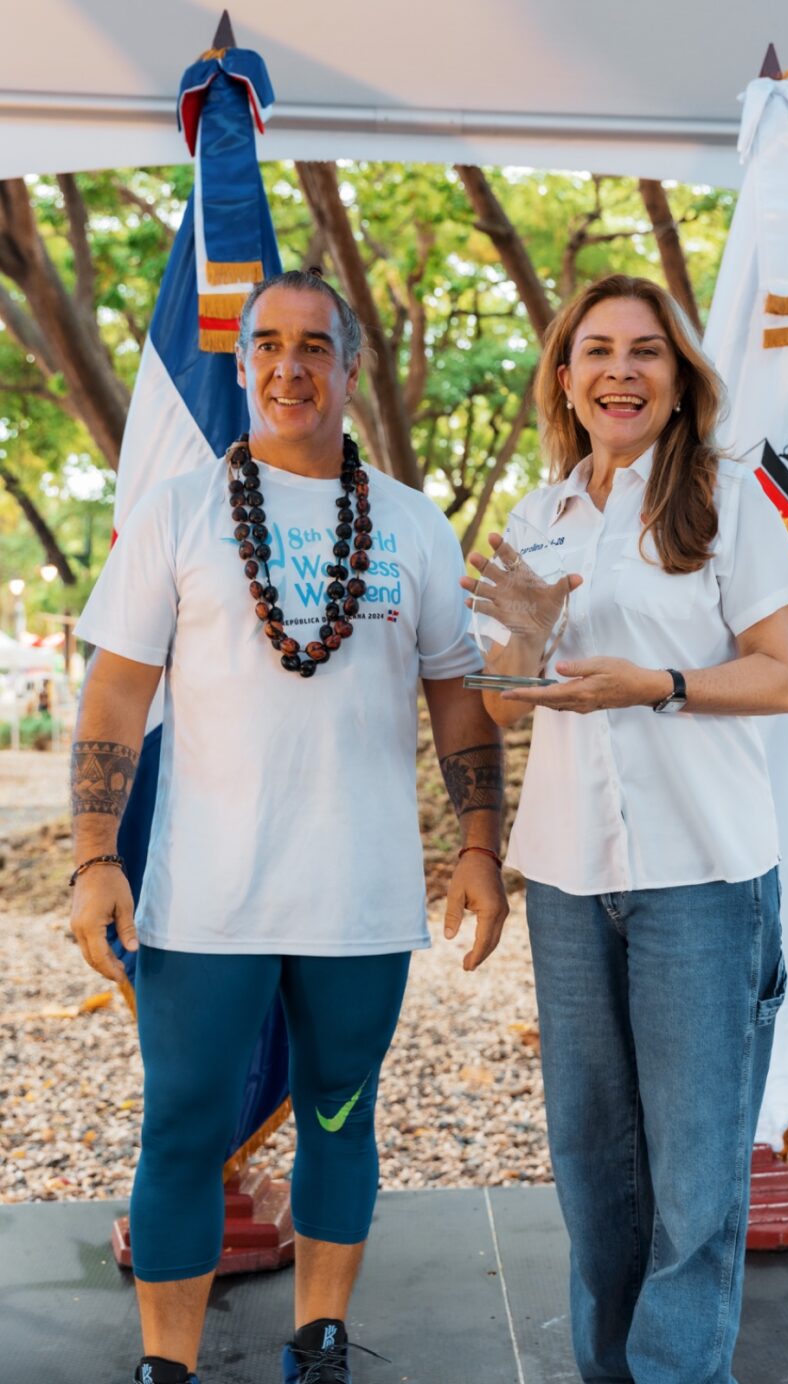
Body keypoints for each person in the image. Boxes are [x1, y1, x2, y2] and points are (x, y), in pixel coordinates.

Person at [70, 270, 509, 1384]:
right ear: (240, 361)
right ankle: (165, 1362)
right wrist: (92, 860)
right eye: (266, 343)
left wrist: (478, 846)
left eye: (314, 345)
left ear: (349, 368)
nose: (287, 365)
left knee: (339, 1118)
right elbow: (116, 697)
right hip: (203, 899)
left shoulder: (412, 523)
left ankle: (318, 1340)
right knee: (179, 1129)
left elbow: (457, 695)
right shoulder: (180, 511)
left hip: (357, 901)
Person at [463, 274, 788, 1384]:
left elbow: (779, 677)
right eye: (597, 350)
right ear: (564, 378)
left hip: (702, 876)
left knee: (698, 1177)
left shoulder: (729, 495)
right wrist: (517, 645)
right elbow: (503, 702)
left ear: (678, 378)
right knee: (593, 1163)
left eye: (646, 351)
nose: (621, 369)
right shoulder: (537, 517)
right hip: (569, 877)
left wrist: (656, 683)